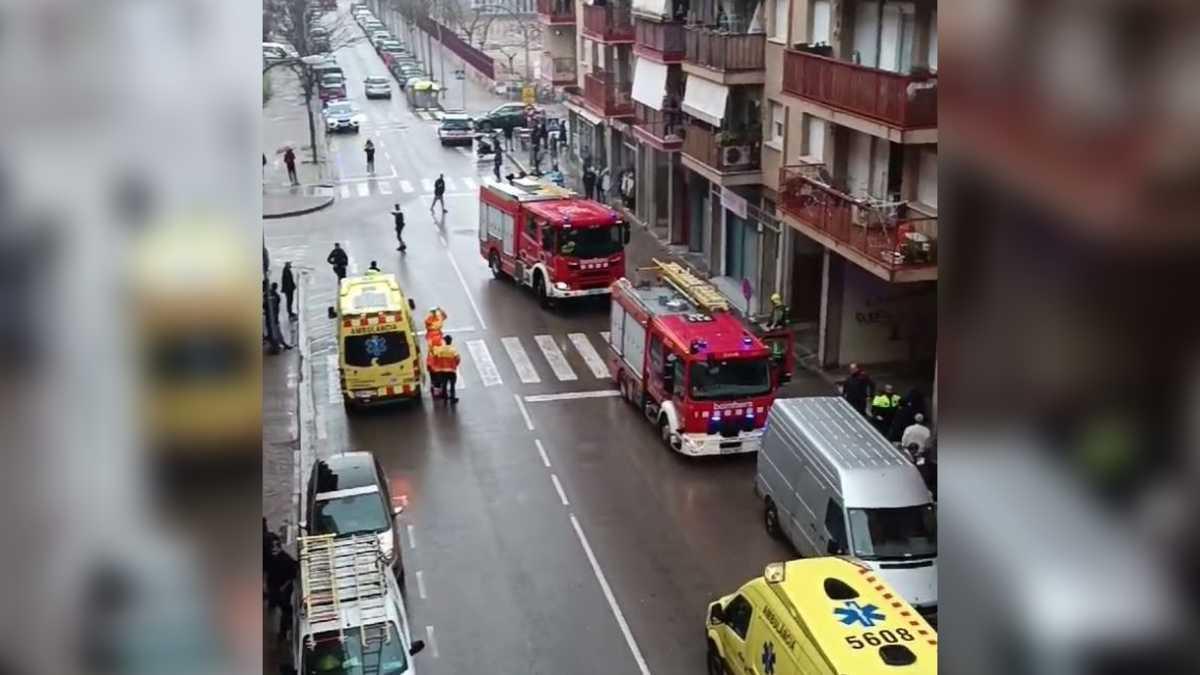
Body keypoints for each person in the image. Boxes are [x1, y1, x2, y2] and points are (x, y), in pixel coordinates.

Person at [264, 537, 297, 641]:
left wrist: (284, 587)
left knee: (286, 610)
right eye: (272, 547)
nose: (273, 549)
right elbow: (267, 572)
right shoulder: (270, 558)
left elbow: (292, 574)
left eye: (276, 546)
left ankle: (284, 632)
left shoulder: (286, 559)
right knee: (284, 608)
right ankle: (287, 628)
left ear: (279, 547)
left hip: (284, 590)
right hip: (274, 588)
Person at [435, 335, 461, 403]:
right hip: (451, 370)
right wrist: (455, 365)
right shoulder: (453, 350)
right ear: (451, 341)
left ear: (445, 341)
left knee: (444, 383)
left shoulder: (441, 349)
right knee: (452, 384)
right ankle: (452, 398)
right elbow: (458, 359)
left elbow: (436, 356)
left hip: (443, 370)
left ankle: (445, 397)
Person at [267, 282, 291, 351]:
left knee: (275, 331)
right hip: (274, 317)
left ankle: (278, 344)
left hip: (272, 317)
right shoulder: (275, 295)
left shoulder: (271, 295)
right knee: (276, 331)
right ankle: (281, 344)